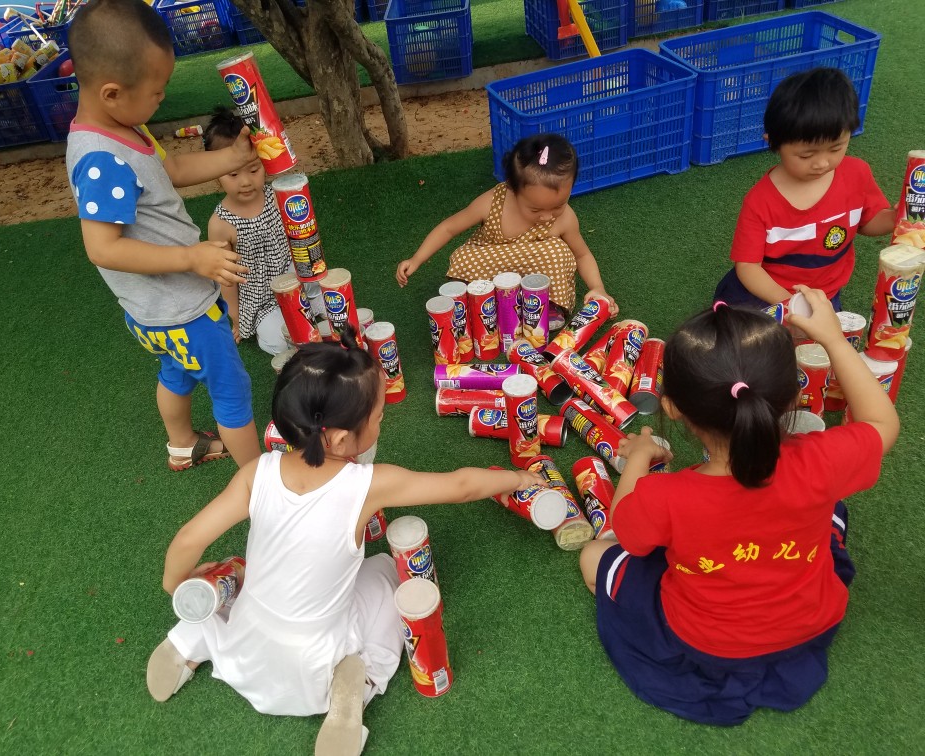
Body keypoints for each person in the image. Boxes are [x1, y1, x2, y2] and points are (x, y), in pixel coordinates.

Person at [146, 327, 542, 755]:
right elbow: (461, 486)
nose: (382, 421)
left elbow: (188, 538)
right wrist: (518, 479)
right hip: (313, 662)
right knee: (389, 573)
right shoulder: (368, 485)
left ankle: (189, 640)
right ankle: (359, 681)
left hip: (245, 641)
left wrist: (175, 584)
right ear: (338, 438)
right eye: (378, 417)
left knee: (233, 578)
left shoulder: (256, 472)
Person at [578, 289, 899, 726]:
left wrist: (638, 456)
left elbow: (624, 526)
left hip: (706, 644)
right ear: (793, 398)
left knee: (595, 555)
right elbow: (882, 422)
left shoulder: (666, 496)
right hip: (811, 623)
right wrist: (833, 340)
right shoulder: (822, 462)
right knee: (832, 506)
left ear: (672, 408)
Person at [65, 0, 261, 469]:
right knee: (231, 389)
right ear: (112, 92)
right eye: (156, 91)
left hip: (156, 314)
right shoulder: (102, 159)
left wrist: (233, 158)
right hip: (181, 309)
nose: (162, 98)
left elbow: (171, 170)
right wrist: (191, 258)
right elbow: (102, 248)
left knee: (177, 371)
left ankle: (182, 444)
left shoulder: (126, 127)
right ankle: (260, 482)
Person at [714, 67, 896, 311]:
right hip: (765, 295)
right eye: (806, 155)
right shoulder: (760, 201)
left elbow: (868, 221)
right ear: (773, 142)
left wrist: (895, 218)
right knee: (746, 335)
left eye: (836, 148)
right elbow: (748, 267)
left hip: (823, 296)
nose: (822, 163)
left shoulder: (857, 174)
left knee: (825, 336)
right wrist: (791, 305)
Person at [395, 133, 617, 327]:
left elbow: (582, 255)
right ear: (512, 188)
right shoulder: (492, 202)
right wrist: (417, 259)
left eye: (558, 205)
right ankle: (482, 302)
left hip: (535, 274)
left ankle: (546, 305)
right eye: (535, 209)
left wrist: (598, 288)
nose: (547, 216)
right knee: (463, 257)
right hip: (492, 263)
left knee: (559, 253)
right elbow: (448, 228)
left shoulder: (565, 217)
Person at [204, 108, 294, 355]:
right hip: (259, 298)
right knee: (278, 341)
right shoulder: (220, 224)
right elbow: (227, 277)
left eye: (254, 170)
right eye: (233, 174)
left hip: (291, 277)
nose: (245, 181)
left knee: (325, 296)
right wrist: (235, 318)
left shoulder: (276, 196)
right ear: (215, 174)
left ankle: (309, 305)